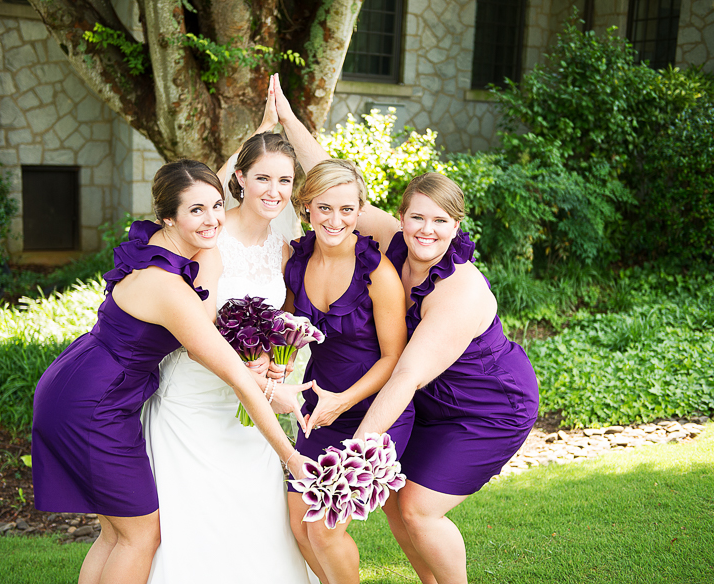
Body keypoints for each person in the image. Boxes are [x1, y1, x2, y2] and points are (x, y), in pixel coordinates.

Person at [31, 158, 309, 584]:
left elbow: (189, 185)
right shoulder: (166, 286)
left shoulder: (162, 247)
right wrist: (290, 456)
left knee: (116, 532)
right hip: (91, 403)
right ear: (167, 217)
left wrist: (267, 127)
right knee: (140, 535)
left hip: (89, 385)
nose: (213, 218)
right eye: (196, 211)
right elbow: (234, 374)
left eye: (217, 205)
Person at [141, 77, 317, 583]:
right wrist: (256, 131)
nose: (275, 192)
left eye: (285, 181)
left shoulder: (285, 249)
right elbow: (193, 196)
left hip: (248, 397)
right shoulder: (208, 236)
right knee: (197, 520)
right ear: (239, 179)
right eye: (262, 178)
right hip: (195, 394)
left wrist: (276, 362)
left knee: (258, 516)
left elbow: (279, 317)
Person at [352, 174, 540, 584]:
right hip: (435, 400)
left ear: (456, 227)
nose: (426, 229)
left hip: (490, 406)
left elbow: (406, 376)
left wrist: (357, 448)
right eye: (417, 217)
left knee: (418, 508)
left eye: (440, 221)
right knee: (392, 496)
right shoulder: (394, 243)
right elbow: (338, 188)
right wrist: (286, 117)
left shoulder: (460, 290)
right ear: (400, 218)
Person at [283, 157, 413, 584]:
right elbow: (286, 330)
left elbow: (394, 358)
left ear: (360, 211)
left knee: (323, 527)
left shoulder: (378, 273)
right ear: (306, 207)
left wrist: (344, 401)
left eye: (346, 209)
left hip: (374, 410)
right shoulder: (296, 264)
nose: (335, 219)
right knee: (299, 524)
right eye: (324, 208)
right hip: (319, 410)